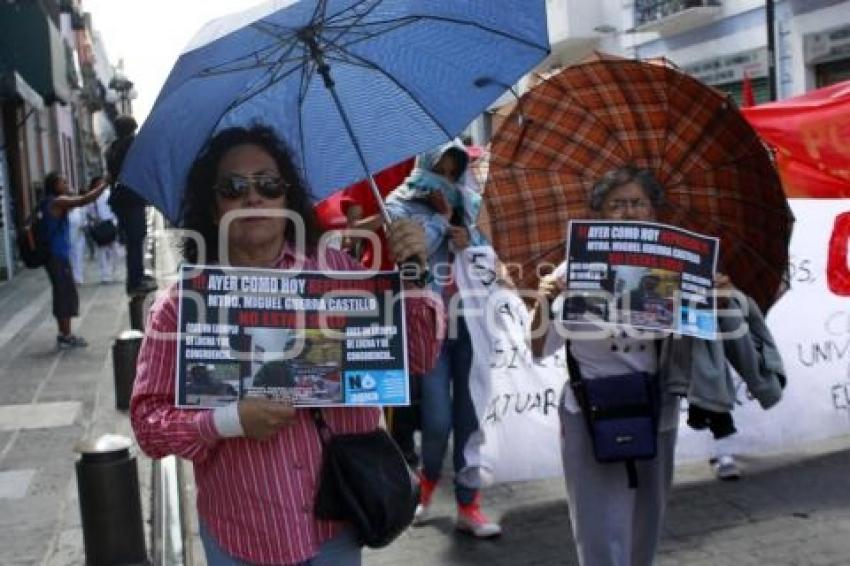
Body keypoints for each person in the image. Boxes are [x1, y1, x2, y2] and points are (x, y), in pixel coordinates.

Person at [130, 125, 440, 565]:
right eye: (234, 187)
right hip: (241, 535)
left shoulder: (340, 272)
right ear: (214, 207)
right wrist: (228, 421)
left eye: (269, 184)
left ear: (287, 198)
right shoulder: (183, 306)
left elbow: (421, 356)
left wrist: (416, 274)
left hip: (334, 524)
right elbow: (148, 423)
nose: (253, 197)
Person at [529, 165, 770, 566]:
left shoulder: (676, 270)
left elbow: (703, 336)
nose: (628, 212)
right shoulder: (572, 271)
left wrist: (719, 301)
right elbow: (538, 348)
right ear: (599, 215)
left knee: (647, 519)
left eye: (637, 203)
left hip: (656, 409)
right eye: (616, 204)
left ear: (654, 213)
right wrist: (543, 298)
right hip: (588, 412)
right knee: (596, 529)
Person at [385, 139, 501, 538]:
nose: (448, 179)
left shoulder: (472, 202)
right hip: (429, 329)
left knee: (471, 418)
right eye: (442, 170)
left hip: (472, 323)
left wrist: (472, 240)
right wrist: (440, 218)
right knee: (436, 420)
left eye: (455, 172)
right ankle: (429, 482)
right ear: (425, 165)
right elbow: (411, 255)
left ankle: (470, 505)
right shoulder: (398, 202)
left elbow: (490, 257)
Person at [41, 172, 108, 348]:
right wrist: (104, 184)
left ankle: (65, 334)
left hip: (56, 256)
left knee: (64, 293)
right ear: (54, 186)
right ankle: (65, 335)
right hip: (57, 256)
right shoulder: (57, 202)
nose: (66, 183)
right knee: (64, 294)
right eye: (62, 181)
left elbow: (79, 200)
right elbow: (84, 200)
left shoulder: (51, 201)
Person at [106, 115, 156, 295]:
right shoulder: (131, 144)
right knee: (136, 239)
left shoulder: (113, 147)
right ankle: (136, 281)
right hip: (131, 198)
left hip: (120, 198)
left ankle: (136, 277)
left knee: (133, 241)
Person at [86, 176, 120, 284]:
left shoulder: (108, 194)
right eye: (98, 183)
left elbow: (115, 208)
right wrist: (94, 221)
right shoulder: (92, 197)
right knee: (102, 252)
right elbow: (89, 212)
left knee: (115, 251)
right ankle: (105, 275)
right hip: (100, 225)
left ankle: (113, 272)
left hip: (111, 224)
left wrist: (116, 222)